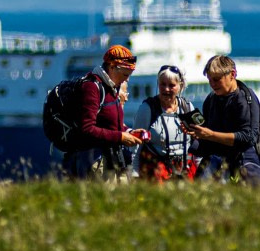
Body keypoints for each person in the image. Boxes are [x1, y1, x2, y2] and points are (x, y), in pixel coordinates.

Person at [61, 45, 146, 179]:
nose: (127, 79)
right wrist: (121, 137)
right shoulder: (92, 87)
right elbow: (87, 128)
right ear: (112, 67)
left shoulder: (112, 87)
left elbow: (111, 124)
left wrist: (129, 132)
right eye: (125, 75)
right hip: (94, 161)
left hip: (111, 158)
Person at [183, 55, 260, 184]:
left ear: (232, 74)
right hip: (215, 159)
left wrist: (210, 134)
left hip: (243, 158)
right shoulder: (211, 99)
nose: (212, 84)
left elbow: (248, 137)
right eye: (210, 80)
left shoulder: (245, 98)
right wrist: (196, 134)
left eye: (216, 79)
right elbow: (208, 136)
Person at [132, 65, 197, 181]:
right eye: (163, 84)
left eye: (171, 85)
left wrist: (200, 172)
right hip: (157, 175)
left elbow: (197, 140)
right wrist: (134, 175)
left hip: (185, 172)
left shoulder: (187, 107)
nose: (166, 89)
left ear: (180, 86)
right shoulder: (147, 109)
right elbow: (136, 146)